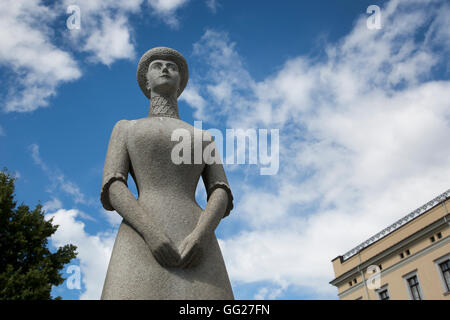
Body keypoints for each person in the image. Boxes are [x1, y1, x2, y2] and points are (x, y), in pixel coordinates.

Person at [100, 47, 234, 299]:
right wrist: (151, 232)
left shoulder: (203, 138)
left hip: (195, 235)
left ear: (180, 82)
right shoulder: (126, 129)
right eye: (157, 65)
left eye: (172, 67)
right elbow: (114, 185)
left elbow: (220, 190)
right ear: (146, 81)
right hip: (139, 232)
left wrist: (201, 235)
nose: (165, 69)